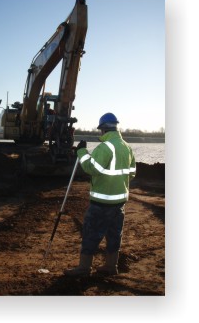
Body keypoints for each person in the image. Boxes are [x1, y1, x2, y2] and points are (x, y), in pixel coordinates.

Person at [64, 112, 136, 277]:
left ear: (103, 129)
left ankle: (83, 268)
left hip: (101, 202)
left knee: (90, 234)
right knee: (114, 235)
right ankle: (111, 266)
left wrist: (81, 152)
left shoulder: (105, 147)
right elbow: (131, 173)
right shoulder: (127, 147)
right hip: (119, 203)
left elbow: (91, 168)